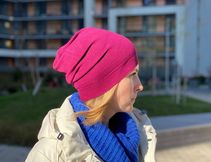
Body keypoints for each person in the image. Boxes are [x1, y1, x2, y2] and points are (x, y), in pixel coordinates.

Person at [25, 27, 157, 162]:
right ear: (104, 81)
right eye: (132, 74)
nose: (140, 86)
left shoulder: (137, 137)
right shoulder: (51, 154)